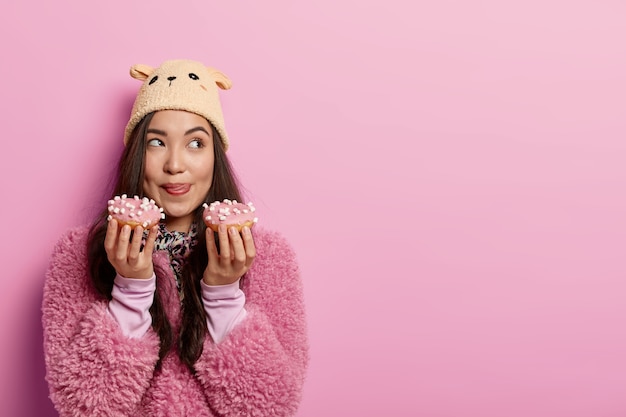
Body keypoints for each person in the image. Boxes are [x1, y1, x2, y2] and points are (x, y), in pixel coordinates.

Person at [42, 59, 309, 416]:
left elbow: (271, 407)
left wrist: (223, 294)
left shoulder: (268, 256)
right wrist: (131, 287)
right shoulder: (79, 253)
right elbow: (84, 406)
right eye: (157, 142)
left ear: (216, 157)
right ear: (137, 153)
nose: (175, 164)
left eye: (196, 143)